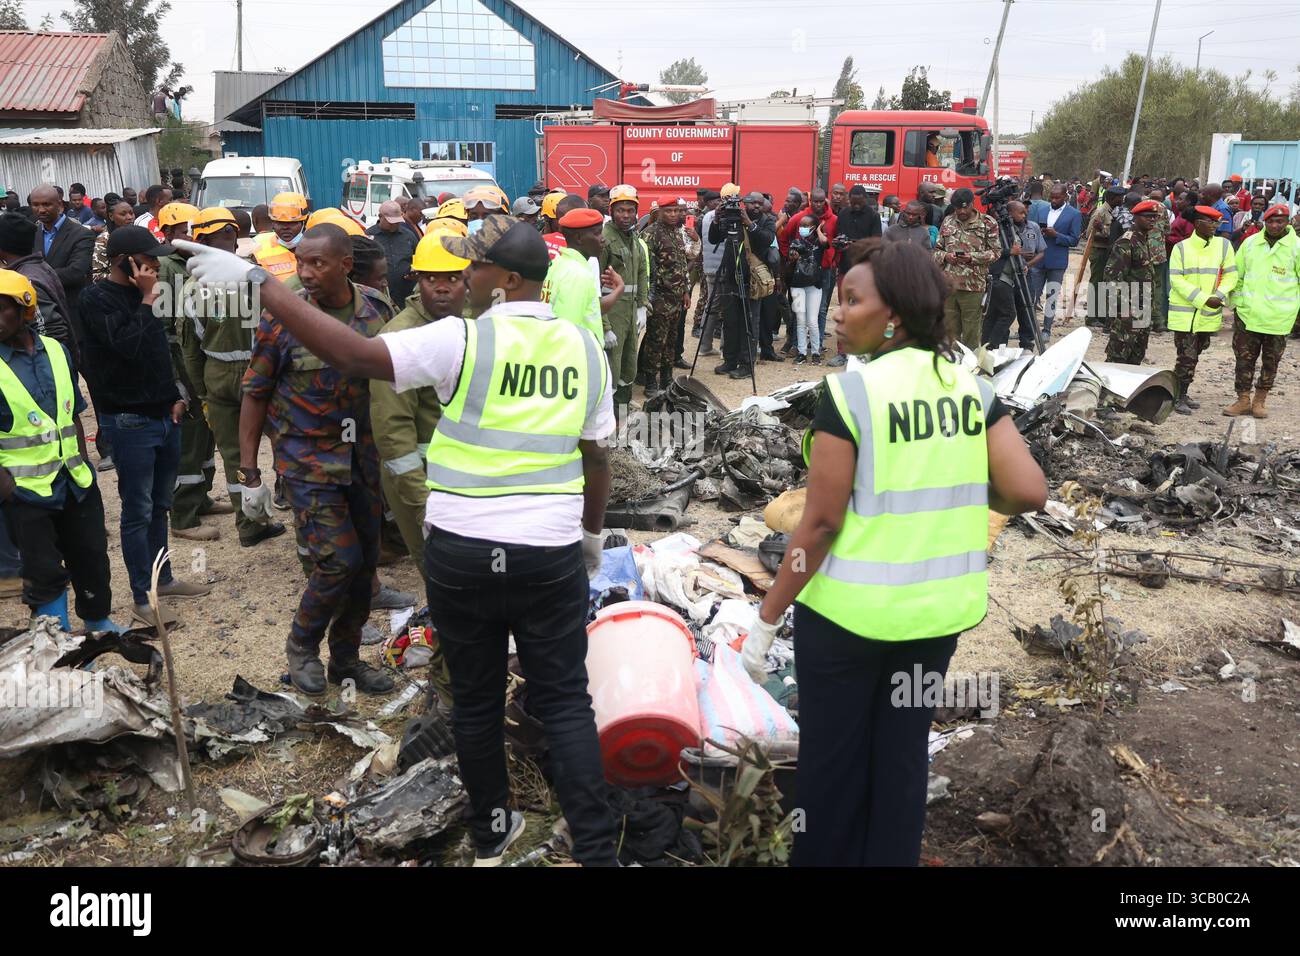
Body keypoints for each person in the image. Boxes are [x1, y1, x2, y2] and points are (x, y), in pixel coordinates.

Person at [178, 216, 621, 868]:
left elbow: (354, 356)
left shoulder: (460, 339)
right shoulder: (584, 348)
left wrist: (261, 286)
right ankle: (596, 851)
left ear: (506, 278)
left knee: (475, 702)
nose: (465, 277)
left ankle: (493, 839)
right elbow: (598, 456)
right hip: (548, 552)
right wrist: (589, 535)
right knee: (564, 701)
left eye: (475, 266)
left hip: (464, 553)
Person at [743, 238, 1046, 866]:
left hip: (847, 623)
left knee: (831, 768)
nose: (838, 313)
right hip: (933, 619)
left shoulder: (851, 396)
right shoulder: (971, 391)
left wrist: (767, 617)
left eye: (853, 301)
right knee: (901, 759)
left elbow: (820, 524)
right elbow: (1027, 491)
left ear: (896, 316)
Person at [236, 223, 394, 695]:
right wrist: (249, 473)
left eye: (317, 263)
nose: (305, 272)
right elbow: (255, 392)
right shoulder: (284, 316)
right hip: (308, 461)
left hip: (364, 458)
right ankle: (302, 646)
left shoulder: (378, 311)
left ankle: (346, 662)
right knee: (337, 560)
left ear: (345, 265)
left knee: (365, 564)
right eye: (300, 262)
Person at [78, 225, 211, 627]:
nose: (155, 264)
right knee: (137, 510)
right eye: (148, 258)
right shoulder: (96, 299)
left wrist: (176, 394)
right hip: (128, 420)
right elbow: (128, 346)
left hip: (163, 415)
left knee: (160, 505)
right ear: (125, 262)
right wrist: (149, 298)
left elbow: (160, 351)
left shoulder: (147, 295)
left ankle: (162, 580)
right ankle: (143, 598)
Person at [367, 226, 467, 709]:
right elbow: (394, 434)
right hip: (424, 485)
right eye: (431, 279)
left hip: (466, 481)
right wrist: (420, 501)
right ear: (416, 280)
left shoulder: (472, 325)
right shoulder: (400, 337)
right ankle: (448, 692)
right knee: (448, 586)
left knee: (470, 585)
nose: (442, 287)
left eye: (452, 278)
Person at [0, 271, 121, 633]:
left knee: (91, 558)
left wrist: (83, 464)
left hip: (75, 482)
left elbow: (73, 413)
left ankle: (98, 624)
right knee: (43, 571)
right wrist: (7, 490)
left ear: (24, 309)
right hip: (25, 493)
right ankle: (57, 639)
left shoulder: (56, 350)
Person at [178, 207, 286, 548]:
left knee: (235, 455)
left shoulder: (190, 288)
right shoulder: (255, 277)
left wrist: (203, 393)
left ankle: (250, 525)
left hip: (217, 375)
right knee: (287, 442)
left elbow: (191, 350)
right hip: (261, 372)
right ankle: (302, 509)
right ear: (233, 235)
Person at [1227, 205, 1299, 418]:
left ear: (1288, 222)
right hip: (1248, 315)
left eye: (1280, 221)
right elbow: (1237, 274)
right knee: (1243, 359)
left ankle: (1260, 400)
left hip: (1279, 317)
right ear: (1265, 222)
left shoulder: (1296, 246)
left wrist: (1294, 311)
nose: (1275, 225)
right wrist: (1237, 303)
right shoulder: (1250, 243)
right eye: (1271, 221)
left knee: (1271, 361)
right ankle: (1242, 399)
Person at [1168, 205, 1237, 413]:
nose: (1215, 225)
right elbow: (1176, 279)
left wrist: (1219, 295)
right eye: (1211, 222)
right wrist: (1204, 299)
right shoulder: (1181, 248)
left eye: (1217, 222)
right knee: (1186, 356)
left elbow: (1231, 274)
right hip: (1185, 314)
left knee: (1196, 353)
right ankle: (1177, 396)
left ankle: (1182, 391)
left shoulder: (1223, 246)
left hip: (1209, 312)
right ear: (1198, 224)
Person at [709, 189, 775, 380]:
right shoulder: (733, 218)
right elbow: (714, 238)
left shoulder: (766, 221)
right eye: (753, 202)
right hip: (730, 277)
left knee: (749, 323)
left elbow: (767, 239)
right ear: (744, 203)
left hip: (751, 280)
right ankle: (730, 361)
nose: (756, 206)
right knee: (730, 322)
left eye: (759, 203)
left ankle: (746, 365)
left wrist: (749, 224)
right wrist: (717, 220)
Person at [0, 214, 76, 360]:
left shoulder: (26, 280)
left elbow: (50, 331)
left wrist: (41, 365)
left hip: (44, 364)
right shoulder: (37, 266)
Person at [599, 185, 649, 404]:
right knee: (612, 364)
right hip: (613, 312)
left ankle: (623, 407)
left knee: (629, 363)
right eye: (620, 210)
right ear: (611, 210)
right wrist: (605, 326)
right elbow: (594, 284)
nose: (626, 215)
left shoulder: (633, 238)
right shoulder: (604, 239)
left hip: (631, 311)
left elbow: (642, 271)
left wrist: (642, 305)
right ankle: (609, 412)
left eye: (630, 210)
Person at [933, 188, 999, 350]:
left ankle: (971, 363)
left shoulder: (987, 223)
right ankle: (952, 361)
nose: (962, 211)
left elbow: (996, 253)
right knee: (949, 332)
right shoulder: (948, 221)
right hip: (949, 286)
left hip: (973, 287)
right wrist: (946, 256)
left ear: (972, 204)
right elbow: (936, 251)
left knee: (971, 333)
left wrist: (972, 258)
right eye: (958, 208)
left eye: (965, 207)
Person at [30, 186, 95, 341]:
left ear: (60, 205)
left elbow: (75, 272)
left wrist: (34, 278)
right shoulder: (32, 233)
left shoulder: (81, 234)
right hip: (40, 315)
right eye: (36, 205)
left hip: (71, 312)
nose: (41, 210)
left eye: (46, 204)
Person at [642, 198, 690, 399]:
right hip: (660, 297)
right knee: (656, 340)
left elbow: (682, 264)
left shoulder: (677, 233)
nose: (673, 214)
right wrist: (649, 297)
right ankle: (650, 381)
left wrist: (686, 291)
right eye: (669, 211)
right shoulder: (650, 234)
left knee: (671, 339)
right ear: (660, 211)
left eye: (676, 211)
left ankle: (667, 378)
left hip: (676, 297)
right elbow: (645, 268)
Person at [1100, 199, 1158, 367]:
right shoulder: (1127, 242)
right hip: (1128, 310)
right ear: (1136, 218)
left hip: (1143, 307)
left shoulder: (1144, 240)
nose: (1152, 220)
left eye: (1154, 217)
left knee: (1136, 355)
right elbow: (1112, 279)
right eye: (1147, 216)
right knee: (1118, 356)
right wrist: (1121, 309)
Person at [983, 200, 1045, 349]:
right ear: (1010, 214)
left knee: (1026, 309)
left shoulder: (1033, 227)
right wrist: (1011, 252)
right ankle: (996, 345)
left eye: (1025, 212)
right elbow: (993, 252)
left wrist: (1026, 264)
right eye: (1021, 212)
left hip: (1023, 274)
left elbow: (1041, 251)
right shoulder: (999, 230)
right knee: (1005, 313)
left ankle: (1026, 343)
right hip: (1004, 277)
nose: (1024, 215)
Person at [542, 205, 608, 342]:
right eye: (597, 233)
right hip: (578, 351)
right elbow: (568, 331)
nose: (603, 239)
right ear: (579, 238)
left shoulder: (558, 264)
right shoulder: (577, 274)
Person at [1028, 184, 1081, 344]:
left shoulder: (1074, 214)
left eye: (1057, 197)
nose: (1053, 200)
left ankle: (1046, 330)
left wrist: (1056, 235)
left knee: (1051, 297)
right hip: (1038, 260)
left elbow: (1074, 240)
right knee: (1031, 296)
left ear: (1065, 197)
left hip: (1057, 262)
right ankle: (1028, 329)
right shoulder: (1042, 210)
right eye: (1051, 197)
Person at [787, 213, 825, 364]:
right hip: (797, 286)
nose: (802, 228)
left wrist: (820, 230)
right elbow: (790, 258)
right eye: (801, 225)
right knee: (800, 320)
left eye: (805, 226)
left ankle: (816, 352)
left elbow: (825, 243)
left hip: (814, 285)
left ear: (813, 227)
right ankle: (802, 352)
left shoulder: (818, 243)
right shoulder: (795, 242)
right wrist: (793, 257)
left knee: (812, 321)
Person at [366, 200, 420, 306]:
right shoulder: (369, 237)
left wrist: (415, 272)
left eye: (397, 221)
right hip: (379, 295)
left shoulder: (409, 236)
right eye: (391, 222)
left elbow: (419, 258)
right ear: (380, 217)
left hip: (406, 294)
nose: (395, 225)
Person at [1086, 185, 1126, 327]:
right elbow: (1089, 234)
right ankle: (1091, 317)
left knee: (1104, 284)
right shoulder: (1100, 212)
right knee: (1096, 283)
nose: (1122, 200)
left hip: (1107, 252)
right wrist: (1104, 230)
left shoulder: (1113, 211)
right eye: (1120, 197)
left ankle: (1100, 315)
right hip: (1099, 252)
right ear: (1113, 198)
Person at [252, 192, 309, 282]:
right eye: (279, 223)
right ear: (272, 223)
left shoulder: (315, 248)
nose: (285, 227)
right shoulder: (258, 251)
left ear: (304, 222)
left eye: (291, 223)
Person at [692, 189, 723, 352]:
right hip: (722, 268)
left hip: (709, 267)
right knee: (726, 307)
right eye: (718, 201)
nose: (720, 204)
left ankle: (704, 346)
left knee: (711, 305)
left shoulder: (705, 217)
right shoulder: (718, 217)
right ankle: (725, 349)